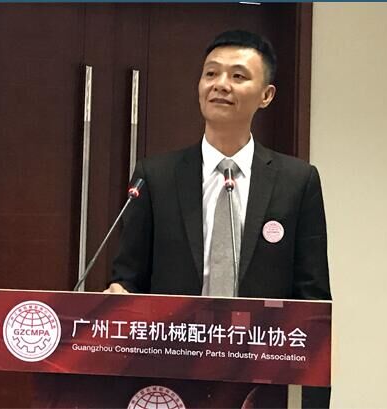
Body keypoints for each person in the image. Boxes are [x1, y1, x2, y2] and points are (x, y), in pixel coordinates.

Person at [105, 29, 331, 408]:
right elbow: (128, 279)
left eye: (238, 76)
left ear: (266, 95)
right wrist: (118, 295)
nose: (220, 84)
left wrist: (312, 401)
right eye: (211, 73)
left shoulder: (297, 181)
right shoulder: (156, 177)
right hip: (170, 377)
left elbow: (313, 302)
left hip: (261, 383)